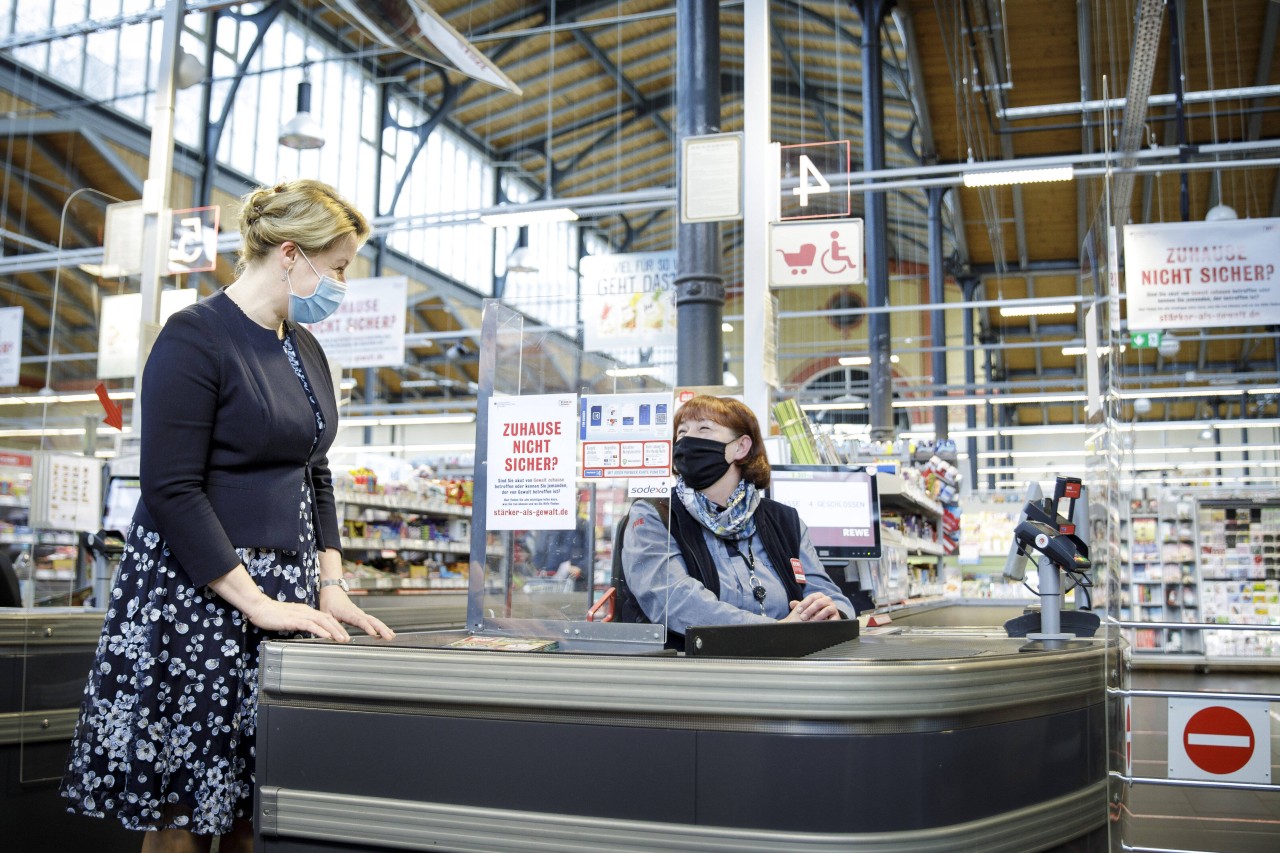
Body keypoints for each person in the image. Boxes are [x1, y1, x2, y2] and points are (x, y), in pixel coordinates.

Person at [59, 179, 395, 853]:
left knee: (254, 805)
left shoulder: (305, 348)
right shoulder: (196, 337)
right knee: (184, 811)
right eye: (338, 266)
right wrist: (255, 600)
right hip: (199, 598)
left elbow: (314, 467)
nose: (342, 282)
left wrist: (330, 578)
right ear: (291, 254)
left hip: (283, 597)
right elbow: (172, 488)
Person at [620, 395, 853, 644]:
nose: (687, 440)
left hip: (786, 668)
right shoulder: (655, 515)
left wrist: (831, 614)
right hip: (695, 670)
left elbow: (825, 592)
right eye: (681, 432)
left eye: (704, 428)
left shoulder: (785, 521)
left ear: (741, 447)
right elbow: (675, 600)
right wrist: (779, 631)